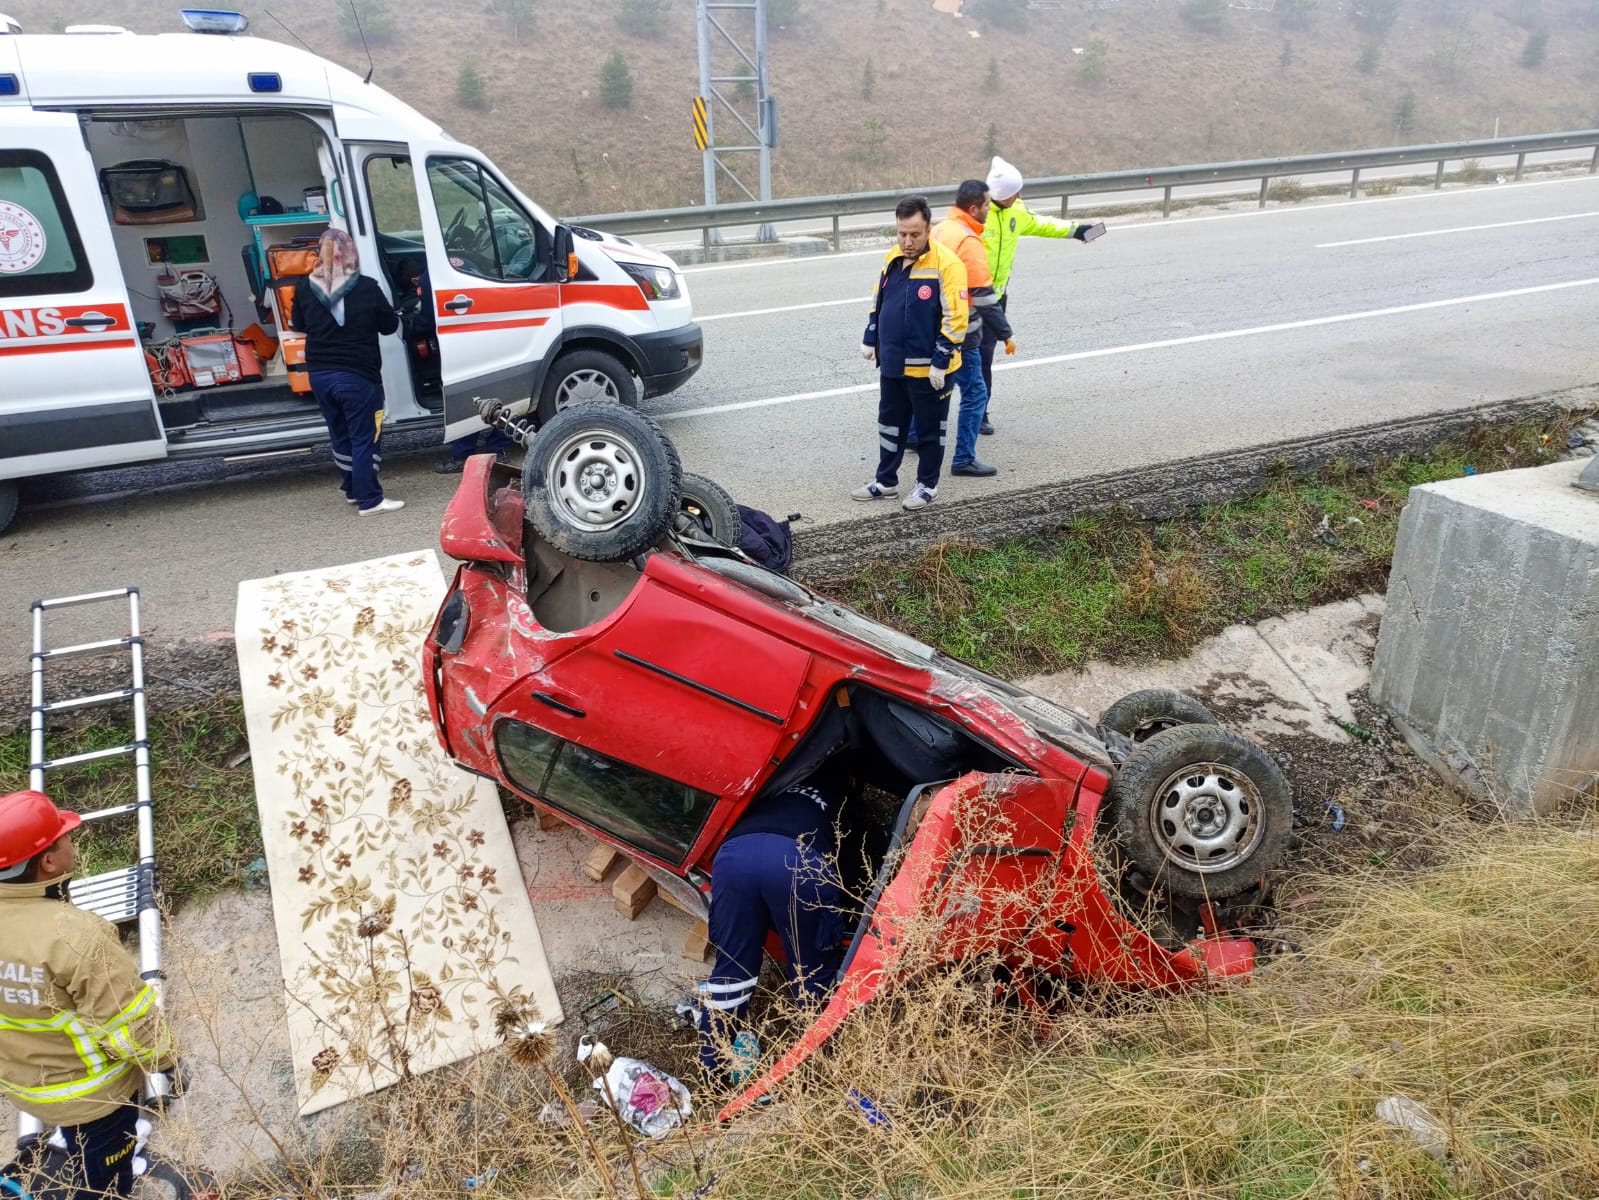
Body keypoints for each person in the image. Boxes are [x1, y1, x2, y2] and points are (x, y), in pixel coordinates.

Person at [0, 790, 178, 1200]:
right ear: (48, 861)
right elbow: (128, 1025)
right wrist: (166, 1062)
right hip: (93, 1096)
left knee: (83, 1145)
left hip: (24, 1084)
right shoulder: (75, 936)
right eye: (65, 839)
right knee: (105, 1175)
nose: (71, 844)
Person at [693, 780, 854, 1080]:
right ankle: (814, 1070)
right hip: (800, 862)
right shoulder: (845, 804)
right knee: (810, 973)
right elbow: (853, 877)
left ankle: (710, 1071)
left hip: (735, 856)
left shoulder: (778, 782)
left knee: (732, 972)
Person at [853, 196, 969, 512]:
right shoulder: (892, 258)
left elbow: (957, 319)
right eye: (902, 233)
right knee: (889, 424)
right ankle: (886, 481)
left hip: (930, 371)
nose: (907, 241)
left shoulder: (947, 265)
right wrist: (870, 335)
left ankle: (927, 485)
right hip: (892, 365)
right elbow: (880, 301)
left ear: (928, 228)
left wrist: (941, 362)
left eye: (914, 234)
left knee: (930, 431)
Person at [980, 156, 1104, 434]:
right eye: (1015, 192)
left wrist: (1078, 231)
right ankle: (918, 426)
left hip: (995, 300)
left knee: (984, 358)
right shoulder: (977, 214)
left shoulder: (1017, 211)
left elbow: (1045, 224)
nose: (1019, 195)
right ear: (1001, 194)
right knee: (948, 361)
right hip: (964, 301)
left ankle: (979, 412)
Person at [292, 228, 404, 515]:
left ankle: (353, 490)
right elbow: (389, 326)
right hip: (358, 375)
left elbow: (298, 323)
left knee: (340, 434)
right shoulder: (366, 286)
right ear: (351, 253)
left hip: (320, 375)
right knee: (364, 436)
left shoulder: (305, 287)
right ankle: (370, 500)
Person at [932, 180, 1013, 478]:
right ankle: (964, 457)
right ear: (974, 208)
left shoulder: (941, 229)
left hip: (934, 325)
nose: (991, 210)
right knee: (975, 392)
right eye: (988, 205)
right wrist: (1005, 333)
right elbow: (984, 296)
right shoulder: (968, 240)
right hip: (962, 331)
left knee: (931, 385)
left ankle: (914, 436)